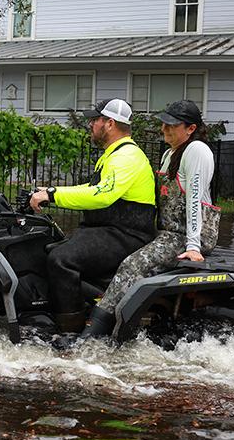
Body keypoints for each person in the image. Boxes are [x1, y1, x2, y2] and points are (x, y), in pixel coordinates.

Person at [80, 99, 221, 339]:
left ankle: (92, 336)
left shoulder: (197, 151)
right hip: (168, 233)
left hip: (186, 236)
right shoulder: (170, 153)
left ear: (191, 129)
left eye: (171, 126)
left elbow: (195, 198)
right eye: (164, 124)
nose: (164, 130)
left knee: (133, 265)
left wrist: (194, 246)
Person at [29, 98, 157, 332]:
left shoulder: (127, 157)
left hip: (127, 234)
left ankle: (70, 331)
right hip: (108, 230)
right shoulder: (113, 154)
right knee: (45, 247)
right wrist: (49, 191)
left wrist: (53, 195)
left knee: (62, 260)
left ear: (109, 123)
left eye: (95, 119)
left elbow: (102, 195)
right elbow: (90, 188)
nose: (90, 124)